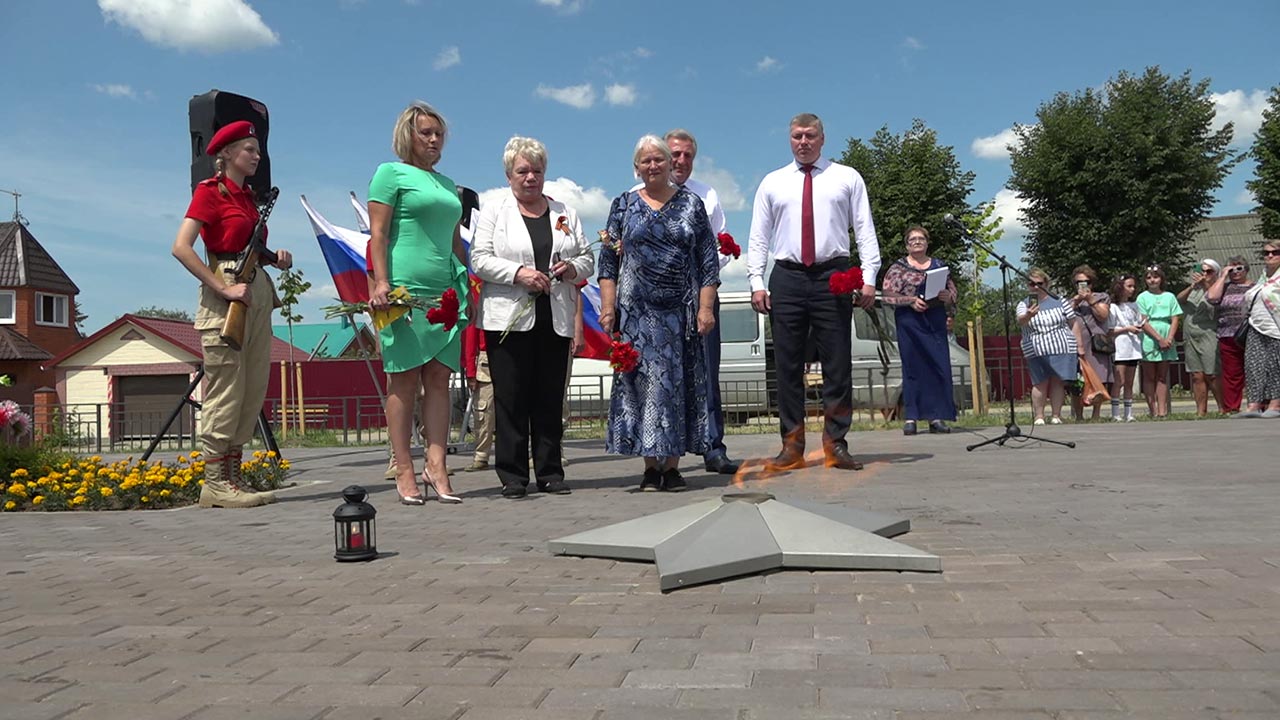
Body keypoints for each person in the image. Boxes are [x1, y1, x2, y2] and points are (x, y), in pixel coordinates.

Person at [746, 113, 880, 471]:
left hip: (832, 275)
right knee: (787, 365)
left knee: (838, 364)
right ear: (789, 140)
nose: (803, 142)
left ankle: (836, 443)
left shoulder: (846, 177)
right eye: (796, 136)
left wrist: (869, 276)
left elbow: (865, 229)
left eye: (809, 136)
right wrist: (756, 281)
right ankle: (792, 446)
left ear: (822, 138)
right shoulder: (773, 182)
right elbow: (759, 236)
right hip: (787, 277)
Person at [172, 120, 292, 508]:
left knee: (252, 387)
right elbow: (182, 247)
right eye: (249, 150)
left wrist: (277, 259)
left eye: (257, 151)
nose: (257, 157)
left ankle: (233, 477)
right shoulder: (210, 193)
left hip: (255, 289)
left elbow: (249, 246)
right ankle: (214, 482)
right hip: (227, 290)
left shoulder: (248, 198)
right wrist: (221, 287)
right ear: (225, 154)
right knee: (226, 388)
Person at [472, 136, 594, 498]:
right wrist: (519, 274)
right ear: (509, 175)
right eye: (522, 171)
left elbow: (588, 258)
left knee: (549, 396)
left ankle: (550, 471)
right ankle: (512, 475)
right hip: (507, 318)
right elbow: (478, 258)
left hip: (554, 315)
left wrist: (570, 267)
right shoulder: (494, 210)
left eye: (537, 171)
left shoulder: (564, 212)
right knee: (510, 397)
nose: (530, 178)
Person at [598, 134, 718, 492]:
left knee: (677, 385)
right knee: (642, 387)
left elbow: (708, 261)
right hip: (635, 314)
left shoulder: (691, 205)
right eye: (646, 161)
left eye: (659, 160)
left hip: (678, 313)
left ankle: (673, 466)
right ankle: (650, 466)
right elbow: (608, 261)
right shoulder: (623, 205)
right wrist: (608, 308)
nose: (653, 166)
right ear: (637, 167)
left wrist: (706, 308)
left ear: (670, 165)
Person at [368, 101, 467, 505]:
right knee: (403, 380)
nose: (433, 140)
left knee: (440, 380)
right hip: (403, 291)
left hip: (445, 289)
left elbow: (455, 239)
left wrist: (466, 287)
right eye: (425, 132)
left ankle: (437, 464)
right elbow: (378, 232)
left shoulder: (447, 184)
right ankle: (404, 465)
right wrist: (381, 283)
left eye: (438, 134)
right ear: (407, 135)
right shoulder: (389, 174)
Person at [626, 129, 740, 475]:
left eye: (688, 155)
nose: (680, 161)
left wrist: (702, 284)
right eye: (674, 154)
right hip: (651, 305)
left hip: (698, 298)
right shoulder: (634, 198)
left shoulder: (706, 195)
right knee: (655, 377)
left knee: (704, 373)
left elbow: (716, 249)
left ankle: (712, 447)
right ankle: (657, 452)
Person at [880, 226, 957, 435]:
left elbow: (953, 292)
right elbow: (886, 295)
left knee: (938, 366)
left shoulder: (939, 265)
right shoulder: (898, 269)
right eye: (912, 239)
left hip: (935, 320)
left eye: (921, 238)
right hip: (909, 321)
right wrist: (910, 301)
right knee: (913, 368)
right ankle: (911, 418)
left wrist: (948, 298)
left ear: (927, 242)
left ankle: (936, 417)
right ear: (906, 244)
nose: (917, 242)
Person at [1015, 268, 1084, 426]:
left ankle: (1056, 415)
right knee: (1039, 382)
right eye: (1032, 284)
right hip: (1036, 349)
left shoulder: (1060, 300)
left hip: (1062, 346)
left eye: (1040, 283)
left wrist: (1079, 346)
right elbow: (1020, 321)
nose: (1036, 287)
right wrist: (1028, 315)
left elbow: (1073, 323)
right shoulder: (1023, 304)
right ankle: (1039, 416)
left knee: (1058, 381)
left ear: (1047, 284)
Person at [1234, 239, 1280, 418]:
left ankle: (1275, 405)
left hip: (1276, 327)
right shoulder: (1263, 276)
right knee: (1253, 365)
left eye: (1275, 252)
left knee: (1274, 366)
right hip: (1256, 325)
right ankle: (1253, 405)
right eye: (1266, 253)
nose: (1269, 256)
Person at [1206, 255, 1255, 414]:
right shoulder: (1224, 287)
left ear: (1246, 270)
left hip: (1251, 334)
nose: (1236, 272)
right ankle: (1231, 407)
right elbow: (1212, 297)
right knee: (1231, 373)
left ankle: (1258, 405)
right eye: (1232, 269)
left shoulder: (1254, 286)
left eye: (1239, 268)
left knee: (1254, 370)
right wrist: (1222, 276)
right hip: (1227, 335)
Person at [1176, 259, 1225, 416]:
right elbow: (1179, 300)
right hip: (1191, 334)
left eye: (1208, 272)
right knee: (1197, 375)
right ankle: (1200, 411)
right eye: (1202, 271)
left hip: (1209, 334)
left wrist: (1205, 285)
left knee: (1212, 373)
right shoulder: (1195, 289)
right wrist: (1192, 286)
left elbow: (1214, 301)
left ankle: (1222, 408)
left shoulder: (1218, 288)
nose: (1204, 275)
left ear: (1216, 274)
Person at [1068, 265, 1113, 422]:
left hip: (1096, 345)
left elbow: (1103, 315)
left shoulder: (1101, 297)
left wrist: (1090, 299)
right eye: (1079, 282)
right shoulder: (1070, 301)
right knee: (1077, 382)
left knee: (1098, 378)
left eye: (1086, 282)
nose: (1083, 285)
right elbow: (1062, 319)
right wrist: (1075, 302)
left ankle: (1096, 414)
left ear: (1092, 283)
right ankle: (1078, 416)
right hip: (1077, 345)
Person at [1136, 265, 1181, 419]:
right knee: (1150, 375)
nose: (1152, 280)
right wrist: (1158, 338)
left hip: (1166, 331)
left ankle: (1163, 410)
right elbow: (1143, 320)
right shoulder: (1142, 297)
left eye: (1155, 277)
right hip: (1150, 335)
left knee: (1162, 376)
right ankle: (1152, 409)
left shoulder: (1169, 296)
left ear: (1161, 279)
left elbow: (1175, 318)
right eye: (1149, 277)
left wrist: (1168, 338)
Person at [1106, 274, 1144, 422]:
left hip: (1133, 347)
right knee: (1119, 381)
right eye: (1129, 286)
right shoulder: (1113, 307)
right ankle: (1115, 413)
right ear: (1120, 287)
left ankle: (1129, 413)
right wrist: (1127, 328)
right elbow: (1110, 330)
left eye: (1133, 286)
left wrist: (1138, 327)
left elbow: (1138, 321)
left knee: (1129, 382)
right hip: (1120, 348)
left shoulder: (1134, 306)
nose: (1132, 289)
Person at [461, 304, 493, 472]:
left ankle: (522, 454)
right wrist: (471, 372)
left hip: (514, 354)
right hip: (486, 358)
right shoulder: (480, 298)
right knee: (484, 411)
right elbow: (471, 337)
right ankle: (481, 455)